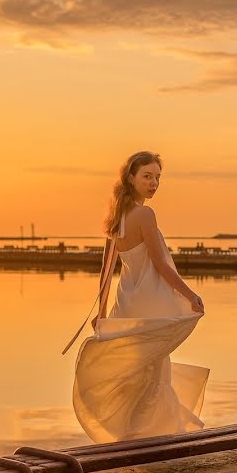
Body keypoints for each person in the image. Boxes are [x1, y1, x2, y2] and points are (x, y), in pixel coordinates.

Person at [68, 151, 208, 443]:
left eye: (157, 177)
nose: (154, 183)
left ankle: (134, 436)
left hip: (128, 303)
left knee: (138, 375)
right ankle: (149, 439)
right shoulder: (145, 214)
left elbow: (106, 270)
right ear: (130, 178)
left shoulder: (116, 215)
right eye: (147, 176)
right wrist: (191, 294)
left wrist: (103, 311)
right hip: (151, 302)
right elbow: (159, 263)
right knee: (154, 373)